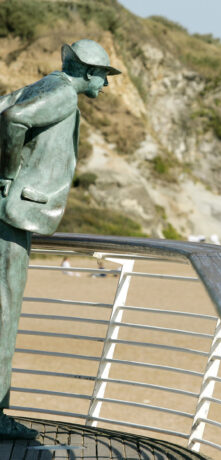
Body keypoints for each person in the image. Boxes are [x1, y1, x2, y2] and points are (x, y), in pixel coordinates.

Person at [0, 39, 121, 439]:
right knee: (4, 314)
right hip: (10, 215)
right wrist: (6, 175)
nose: (105, 85)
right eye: (104, 76)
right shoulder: (63, 95)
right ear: (89, 72)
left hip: (9, 213)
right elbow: (13, 120)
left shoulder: (41, 84)